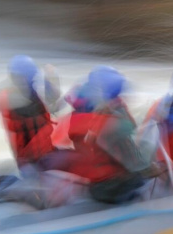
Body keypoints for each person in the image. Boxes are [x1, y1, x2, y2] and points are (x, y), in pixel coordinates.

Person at [66, 66, 163, 203]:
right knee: (144, 174)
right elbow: (133, 161)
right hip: (111, 188)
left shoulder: (87, 112)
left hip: (94, 180)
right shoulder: (112, 124)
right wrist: (151, 169)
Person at [0, 55, 69, 177]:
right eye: (27, 78)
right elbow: (45, 106)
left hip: (46, 152)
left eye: (31, 78)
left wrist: (52, 82)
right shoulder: (11, 100)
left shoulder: (30, 94)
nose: (30, 81)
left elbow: (53, 105)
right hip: (31, 163)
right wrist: (51, 84)